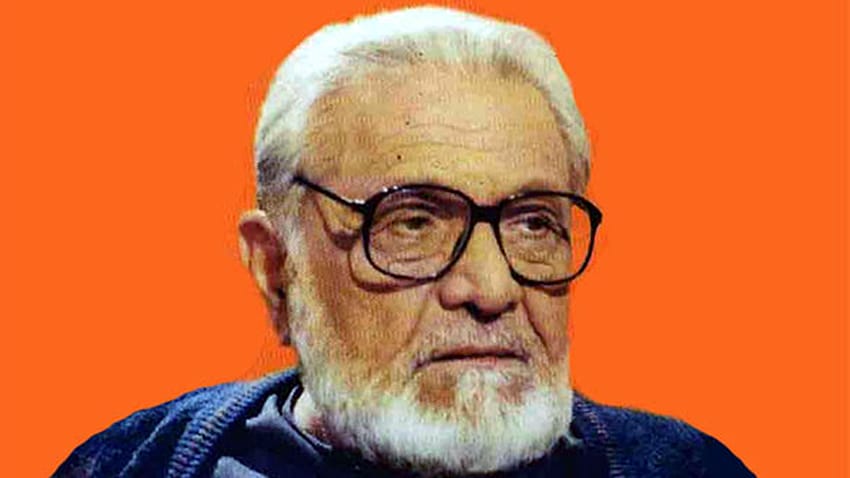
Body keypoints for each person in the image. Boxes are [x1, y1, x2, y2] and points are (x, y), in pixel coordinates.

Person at [54, 6, 755, 478]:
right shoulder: (127, 464)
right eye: (414, 222)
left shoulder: (688, 469)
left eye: (533, 223)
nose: (492, 289)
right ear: (276, 269)